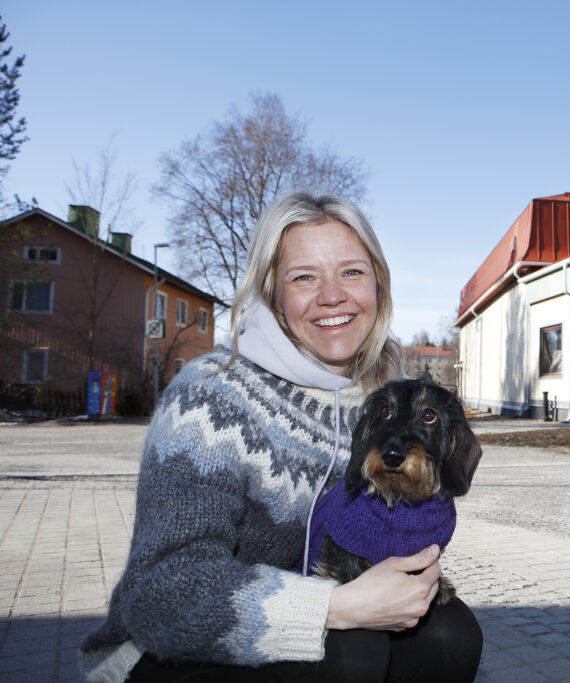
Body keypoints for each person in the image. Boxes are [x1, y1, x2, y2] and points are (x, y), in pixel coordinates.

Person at [80, 192, 483, 682]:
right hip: (172, 649)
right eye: (304, 277)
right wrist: (331, 607)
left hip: (322, 615)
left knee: (452, 635)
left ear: (378, 283)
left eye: (352, 272)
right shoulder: (211, 398)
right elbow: (163, 593)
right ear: (273, 293)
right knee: (353, 653)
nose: (332, 295)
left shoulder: (384, 398)